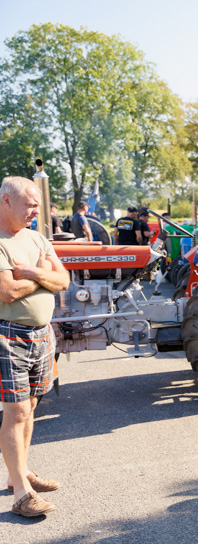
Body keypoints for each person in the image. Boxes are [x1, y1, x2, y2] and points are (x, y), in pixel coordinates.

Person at [0, 176, 70, 517]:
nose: (35, 211)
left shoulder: (37, 238)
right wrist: (40, 274)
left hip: (42, 335)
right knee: (16, 412)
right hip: (8, 336)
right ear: (6, 201)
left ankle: (20, 473)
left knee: (30, 406)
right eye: (30, 204)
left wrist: (28, 272)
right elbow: (7, 292)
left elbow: (64, 280)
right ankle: (22, 495)